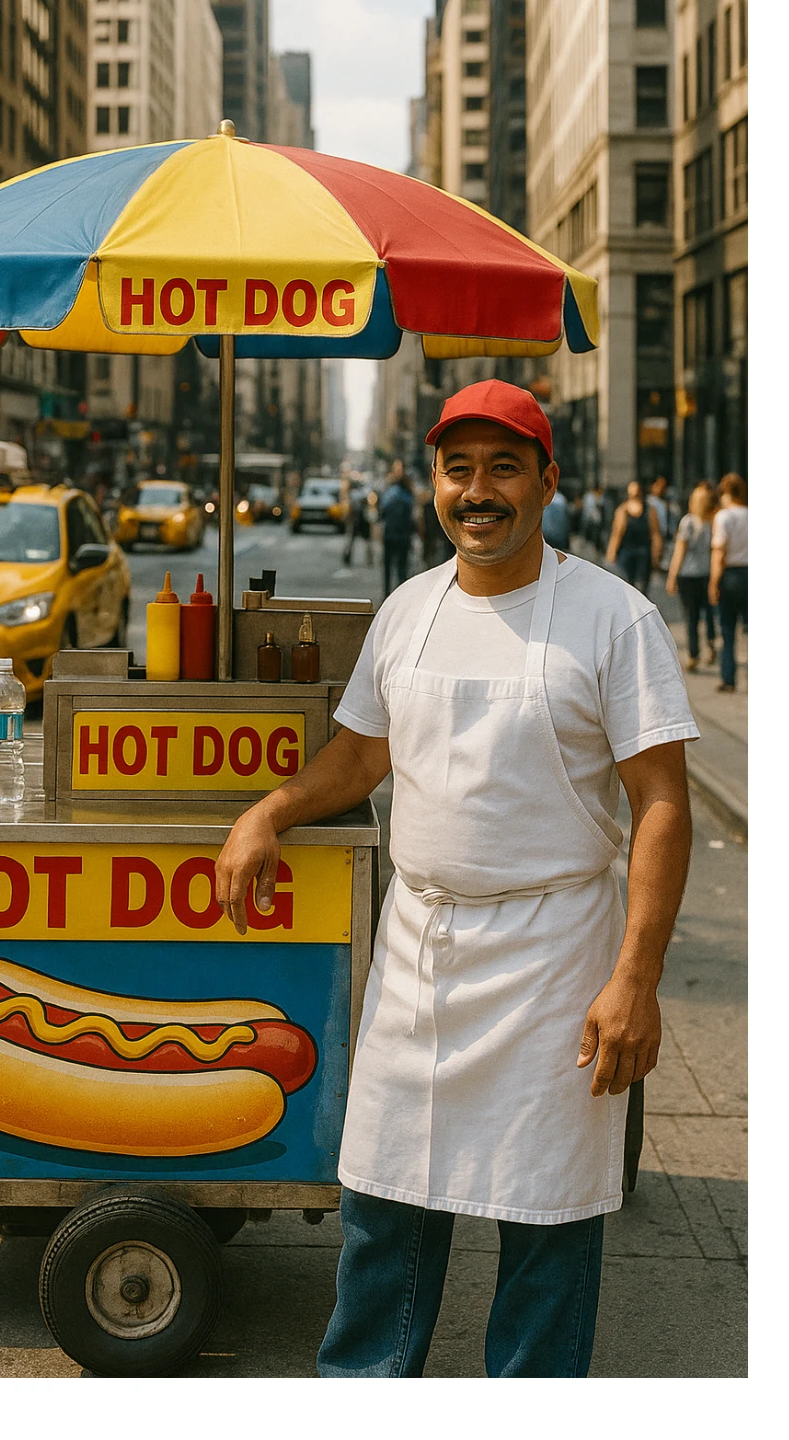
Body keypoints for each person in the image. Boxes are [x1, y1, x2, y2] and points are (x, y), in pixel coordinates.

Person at [215, 378, 697, 1380]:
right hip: (421, 945)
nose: (477, 491)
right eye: (457, 469)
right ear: (431, 482)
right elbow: (355, 761)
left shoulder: (613, 618)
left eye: (503, 468)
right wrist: (268, 811)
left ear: (547, 482)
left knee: (547, 1225)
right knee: (383, 1208)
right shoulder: (407, 612)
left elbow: (660, 802)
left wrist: (635, 978)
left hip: (556, 955)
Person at [665, 482, 719, 671]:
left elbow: (680, 552)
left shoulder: (687, 522)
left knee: (691, 617)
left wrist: (672, 576)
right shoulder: (713, 522)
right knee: (710, 614)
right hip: (708, 574)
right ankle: (711, 642)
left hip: (688, 576)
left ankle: (694, 654)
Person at [709, 473, 748, 692]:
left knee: (727, 628)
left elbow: (719, 552)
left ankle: (728, 678)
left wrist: (714, 582)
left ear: (725, 493)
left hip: (730, 575)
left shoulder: (723, 517)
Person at [605, 480, 662, 594]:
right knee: (627, 584)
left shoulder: (649, 510)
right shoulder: (623, 510)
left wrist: (657, 554)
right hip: (627, 552)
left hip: (644, 552)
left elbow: (655, 533)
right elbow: (617, 533)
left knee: (642, 587)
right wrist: (612, 551)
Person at [379, 460, 416, 599]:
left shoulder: (405, 490)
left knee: (400, 567)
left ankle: (398, 595)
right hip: (392, 533)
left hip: (401, 533)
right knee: (391, 567)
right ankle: (388, 594)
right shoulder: (391, 488)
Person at [343, 484, 374, 567]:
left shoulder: (353, 494)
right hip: (362, 519)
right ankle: (369, 560)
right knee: (365, 541)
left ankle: (347, 558)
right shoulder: (365, 492)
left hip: (356, 519)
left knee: (351, 541)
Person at [579, 484, 605, 552]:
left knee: (594, 534)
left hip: (594, 519)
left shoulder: (599, 497)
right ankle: (585, 544)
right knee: (587, 533)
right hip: (590, 518)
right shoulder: (589, 497)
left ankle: (592, 546)